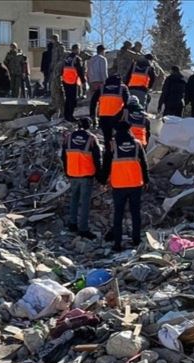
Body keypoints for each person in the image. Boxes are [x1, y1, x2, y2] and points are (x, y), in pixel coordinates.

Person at [103, 121, 149, 251]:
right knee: (135, 213)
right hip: (135, 184)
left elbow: (106, 165)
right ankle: (136, 240)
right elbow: (144, 164)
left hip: (119, 185)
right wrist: (146, 180)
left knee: (118, 214)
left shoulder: (112, 145)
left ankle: (117, 243)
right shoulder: (137, 144)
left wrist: (102, 180)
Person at [61, 118, 102, 240]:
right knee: (84, 203)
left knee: (74, 199)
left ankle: (72, 224)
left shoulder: (68, 137)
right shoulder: (91, 139)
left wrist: (66, 171)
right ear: (89, 126)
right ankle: (83, 229)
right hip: (86, 175)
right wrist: (100, 175)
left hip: (72, 173)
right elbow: (97, 159)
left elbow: (63, 156)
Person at [90, 74, 130, 146]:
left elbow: (93, 102)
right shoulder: (123, 88)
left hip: (104, 117)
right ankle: (118, 153)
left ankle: (108, 154)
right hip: (118, 117)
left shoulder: (101, 88)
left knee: (107, 139)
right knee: (119, 138)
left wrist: (93, 117)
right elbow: (128, 104)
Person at [60, 44, 86, 122]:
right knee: (72, 99)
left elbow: (62, 69)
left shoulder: (67, 58)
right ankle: (70, 116)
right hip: (72, 81)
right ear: (76, 49)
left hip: (65, 81)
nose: (79, 51)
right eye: (78, 49)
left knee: (68, 99)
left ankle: (66, 115)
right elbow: (80, 71)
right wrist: (83, 81)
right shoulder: (77, 59)